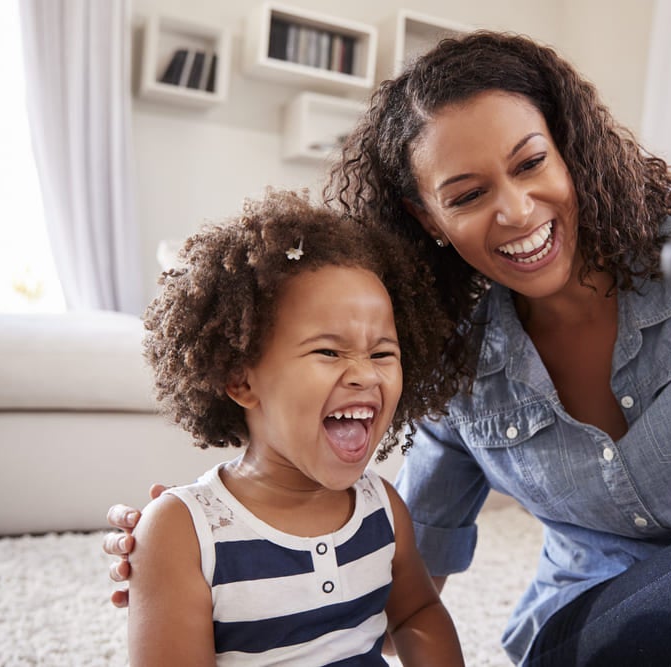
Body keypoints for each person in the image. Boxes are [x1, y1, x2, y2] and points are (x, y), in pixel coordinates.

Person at [106, 32, 671, 666]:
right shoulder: (453, 358)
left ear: (568, 151)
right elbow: (400, 558)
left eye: (531, 163)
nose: (517, 211)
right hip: (589, 635)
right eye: (468, 191)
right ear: (430, 220)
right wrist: (198, 547)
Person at [125, 188, 464, 666]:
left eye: (383, 352)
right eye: (329, 351)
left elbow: (416, 614)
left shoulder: (383, 509)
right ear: (241, 379)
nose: (365, 374)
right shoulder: (185, 532)